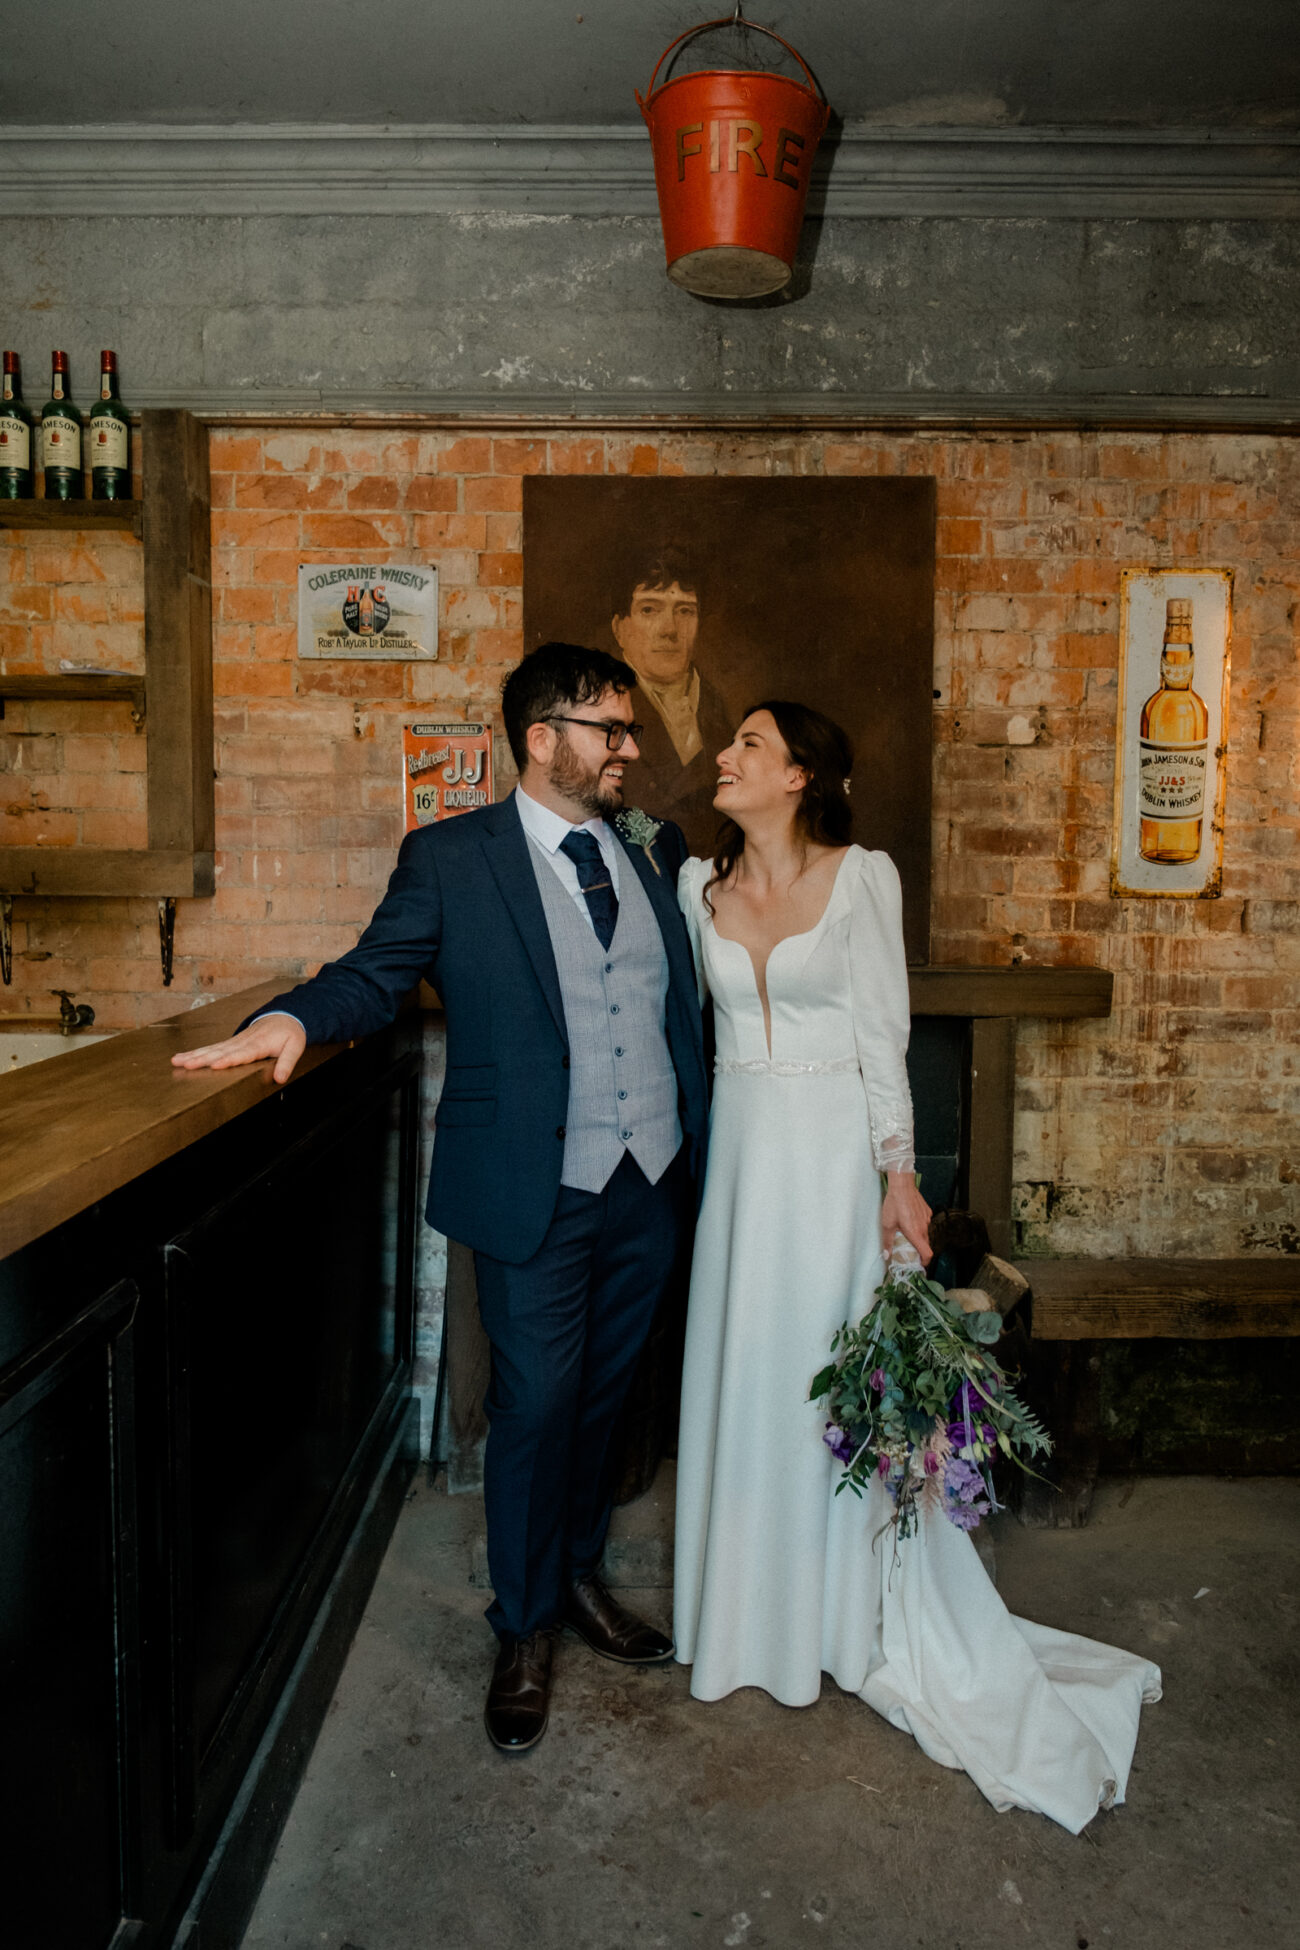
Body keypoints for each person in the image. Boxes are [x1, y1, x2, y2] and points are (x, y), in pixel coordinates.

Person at [171, 643, 709, 1756]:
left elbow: (668, 1005)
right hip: (533, 1186)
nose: (629, 749)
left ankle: (573, 1579)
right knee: (536, 1407)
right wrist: (292, 1018)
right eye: (609, 729)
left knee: (605, 1402)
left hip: (648, 1182)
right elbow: (378, 969)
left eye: (630, 730)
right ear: (541, 738)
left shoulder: (656, 851)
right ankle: (520, 1628)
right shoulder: (451, 858)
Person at [672, 700, 1161, 1833]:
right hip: (742, 1167)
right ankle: (742, 1621)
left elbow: (880, 1036)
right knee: (747, 1375)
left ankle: (838, 1620)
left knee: (827, 1376)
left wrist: (896, 1175)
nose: (724, 759)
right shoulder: (694, 886)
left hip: (831, 1161)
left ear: (798, 776)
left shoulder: (861, 878)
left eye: (748, 744)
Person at [609, 544, 735, 852]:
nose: (670, 630)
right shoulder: (599, 710)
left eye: (685, 611)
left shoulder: (725, 714)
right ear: (620, 629)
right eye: (650, 610)